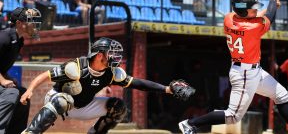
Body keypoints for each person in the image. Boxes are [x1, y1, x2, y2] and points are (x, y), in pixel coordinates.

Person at [178, 0, 288, 134]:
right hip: (245, 74)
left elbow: (256, 15)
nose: (256, 9)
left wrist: (271, 6)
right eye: (253, 8)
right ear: (244, 11)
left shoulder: (229, 18)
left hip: (252, 70)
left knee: (281, 95)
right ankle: (190, 123)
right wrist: (272, 0)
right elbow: (269, 17)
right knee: (232, 116)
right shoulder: (253, 27)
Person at [20, 37, 186, 134]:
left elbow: (137, 83)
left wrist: (166, 89)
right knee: (64, 99)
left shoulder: (112, 72)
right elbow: (45, 75)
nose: (115, 56)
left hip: (82, 106)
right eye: (111, 53)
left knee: (118, 107)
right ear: (100, 55)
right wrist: (30, 90)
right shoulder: (76, 67)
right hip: (57, 99)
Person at [0, 7, 42, 134]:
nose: (34, 24)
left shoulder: (18, 41)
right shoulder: (4, 37)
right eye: (30, 20)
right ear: (19, 23)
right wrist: (2, 80)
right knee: (11, 94)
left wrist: (7, 78)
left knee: (23, 96)